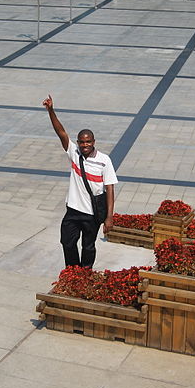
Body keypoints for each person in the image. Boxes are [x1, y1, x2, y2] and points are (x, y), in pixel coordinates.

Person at [43, 95, 118, 268]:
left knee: (88, 246)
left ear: (94, 142)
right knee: (67, 242)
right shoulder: (74, 153)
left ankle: (85, 274)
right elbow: (61, 132)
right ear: (78, 142)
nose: (85, 145)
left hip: (92, 214)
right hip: (73, 210)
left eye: (88, 142)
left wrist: (109, 217)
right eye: (82, 142)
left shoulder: (104, 160)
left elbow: (110, 189)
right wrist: (51, 111)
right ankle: (73, 271)